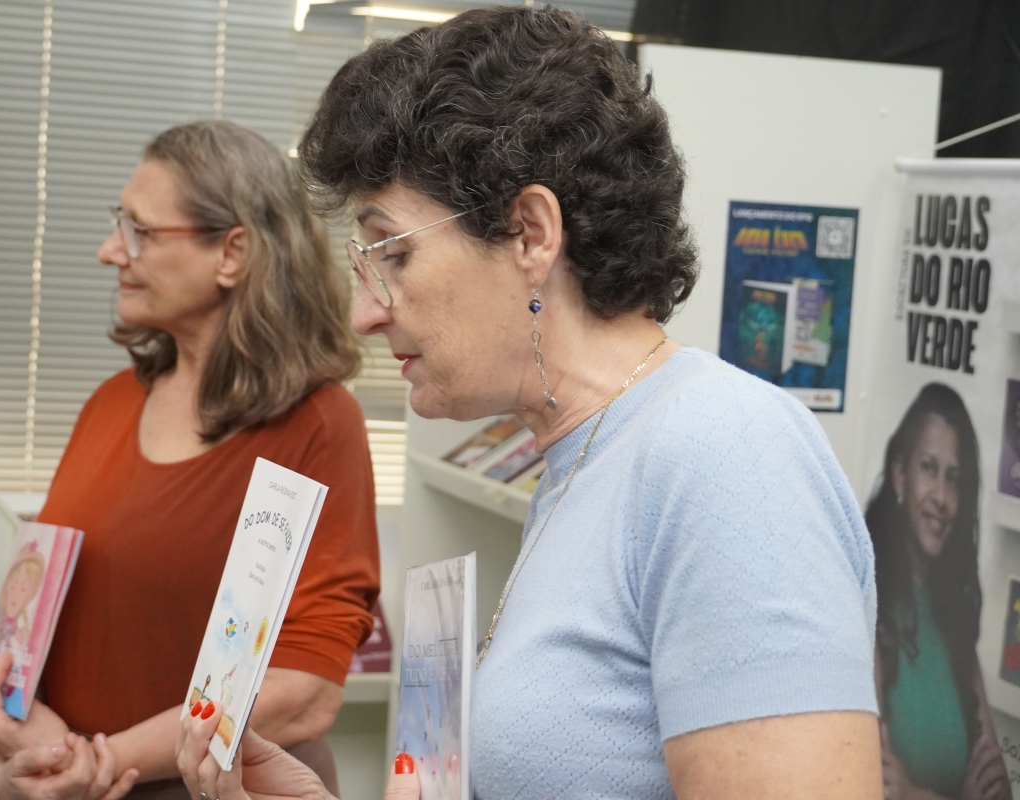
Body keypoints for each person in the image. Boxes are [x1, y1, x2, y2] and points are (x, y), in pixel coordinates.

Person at [179, 6, 882, 800]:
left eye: (394, 255)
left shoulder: (727, 453)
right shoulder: (585, 456)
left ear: (530, 234)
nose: (364, 313)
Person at [0, 119, 381, 800]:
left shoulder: (319, 423)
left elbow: (304, 688)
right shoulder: (110, 402)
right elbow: (34, 614)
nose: (110, 251)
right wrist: (29, 744)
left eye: (140, 231)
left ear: (232, 253)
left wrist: (99, 762)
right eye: (117, 226)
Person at [866, 383, 1009, 800]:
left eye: (955, 478)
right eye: (929, 468)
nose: (942, 497)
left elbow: (998, 788)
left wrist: (914, 793)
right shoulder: (867, 608)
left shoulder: (953, 617)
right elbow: (872, 788)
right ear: (900, 475)